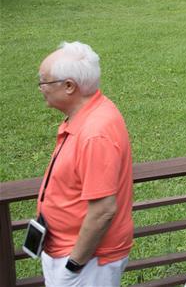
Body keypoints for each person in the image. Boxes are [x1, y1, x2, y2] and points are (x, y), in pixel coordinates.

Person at [35, 41, 134, 286]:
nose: (40, 88)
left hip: (86, 263)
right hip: (70, 253)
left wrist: (73, 265)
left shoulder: (95, 133)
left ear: (69, 86)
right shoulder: (89, 113)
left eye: (44, 82)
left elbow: (103, 211)